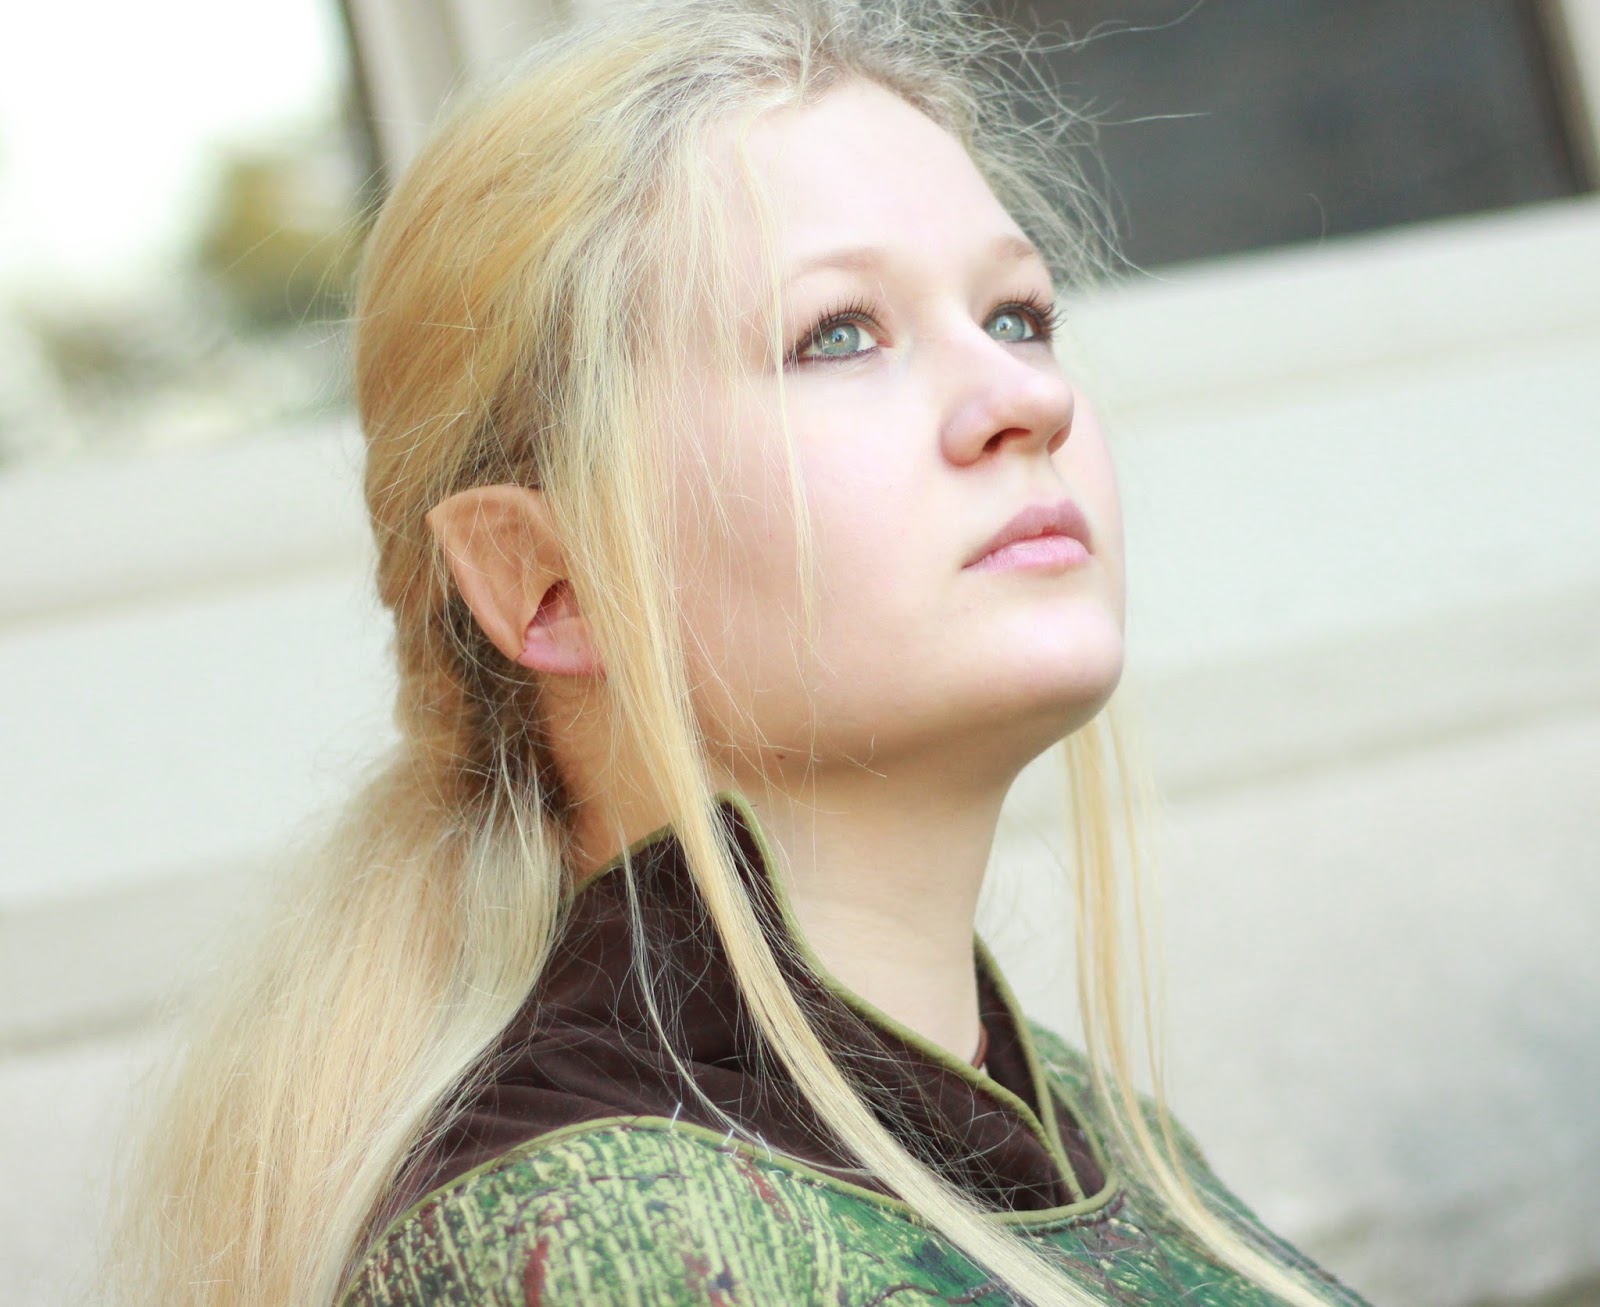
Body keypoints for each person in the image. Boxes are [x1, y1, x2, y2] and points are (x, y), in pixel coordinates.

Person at [112, 2, 1376, 1304]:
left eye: (1016, 315)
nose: (1031, 398)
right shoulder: (584, 1234)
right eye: (839, 334)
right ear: (548, 581)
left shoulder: (1112, 1139)